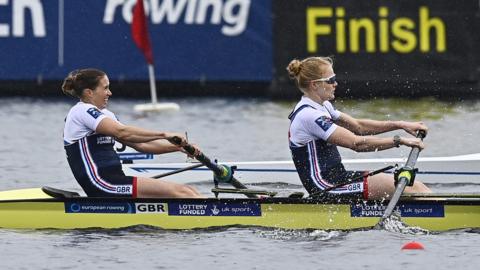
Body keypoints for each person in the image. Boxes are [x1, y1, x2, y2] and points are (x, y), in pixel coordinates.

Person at [286, 56, 431, 200]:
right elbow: (357, 143)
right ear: (314, 85)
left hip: (339, 178)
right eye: (330, 80)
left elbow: (358, 126)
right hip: (326, 186)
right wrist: (399, 140)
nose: (335, 84)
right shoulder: (309, 115)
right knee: (414, 189)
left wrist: (400, 124)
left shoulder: (323, 106)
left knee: (416, 187)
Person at [61, 68, 202, 198]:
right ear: (89, 92)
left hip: (116, 181)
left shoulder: (106, 115)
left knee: (189, 191)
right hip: (101, 184)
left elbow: (141, 145)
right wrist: (164, 134)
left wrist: (179, 148)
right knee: (183, 192)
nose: (110, 93)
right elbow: (122, 132)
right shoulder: (80, 111)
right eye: (105, 88)